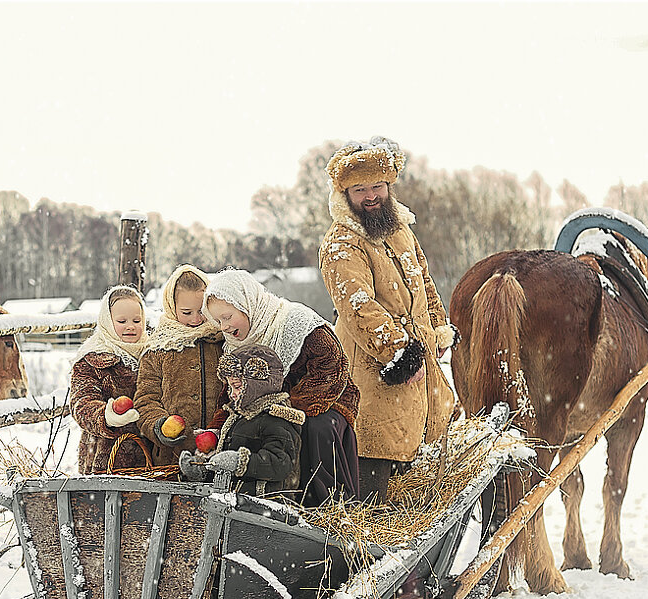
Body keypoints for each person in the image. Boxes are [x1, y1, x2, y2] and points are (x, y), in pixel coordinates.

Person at [318, 136, 457, 502]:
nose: (370, 196)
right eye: (359, 189)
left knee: (413, 482)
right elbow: (358, 306)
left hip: (418, 378)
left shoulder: (399, 230)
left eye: (377, 186)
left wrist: (437, 330)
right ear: (344, 193)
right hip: (371, 379)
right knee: (373, 474)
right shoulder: (341, 243)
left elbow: (424, 282)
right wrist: (399, 352)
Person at [203, 268, 360, 505]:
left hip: (326, 399)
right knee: (250, 430)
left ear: (247, 304)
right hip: (269, 409)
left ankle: (329, 503)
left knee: (315, 429)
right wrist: (216, 429)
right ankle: (267, 500)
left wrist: (287, 408)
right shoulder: (235, 345)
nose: (223, 326)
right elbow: (229, 394)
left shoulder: (297, 322)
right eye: (218, 321)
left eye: (227, 317)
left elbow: (330, 367)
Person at [179, 345, 303, 497]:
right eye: (230, 388)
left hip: (265, 503)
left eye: (236, 387)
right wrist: (203, 469)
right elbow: (227, 461)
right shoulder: (238, 416)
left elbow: (280, 464)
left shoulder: (276, 419)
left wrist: (241, 462)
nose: (232, 394)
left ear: (257, 385)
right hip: (235, 500)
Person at [133, 265, 224, 466]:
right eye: (186, 312)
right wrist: (160, 426)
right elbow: (146, 400)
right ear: (172, 307)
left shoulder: (221, 339)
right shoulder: (158, 348)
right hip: (171, 457)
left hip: (221, 453)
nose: (196, 319)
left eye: (201, 311)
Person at [69, 285, 152, 474]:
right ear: (107, 320)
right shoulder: (92, 360)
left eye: (137, 320)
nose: (131, 326)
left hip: (150, 458)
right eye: (122, 321)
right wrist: (105, 416)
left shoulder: (152, 353)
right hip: (105, 459)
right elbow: (81, 403)